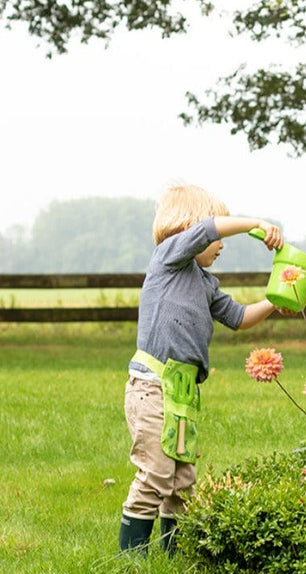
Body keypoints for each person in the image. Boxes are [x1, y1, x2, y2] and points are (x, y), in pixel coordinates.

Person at [119, 183, 283, 554]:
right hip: (152, 386)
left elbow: (240, 318)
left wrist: (276, 299)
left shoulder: (206, 284)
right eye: (217, 233)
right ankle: (131, 558)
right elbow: (208, 231)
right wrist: (255, 223)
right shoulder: (169, 258)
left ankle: (172, 554)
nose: (221, 244)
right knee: (156, 474)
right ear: (188, 227)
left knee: (181, 480)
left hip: (183, 391)